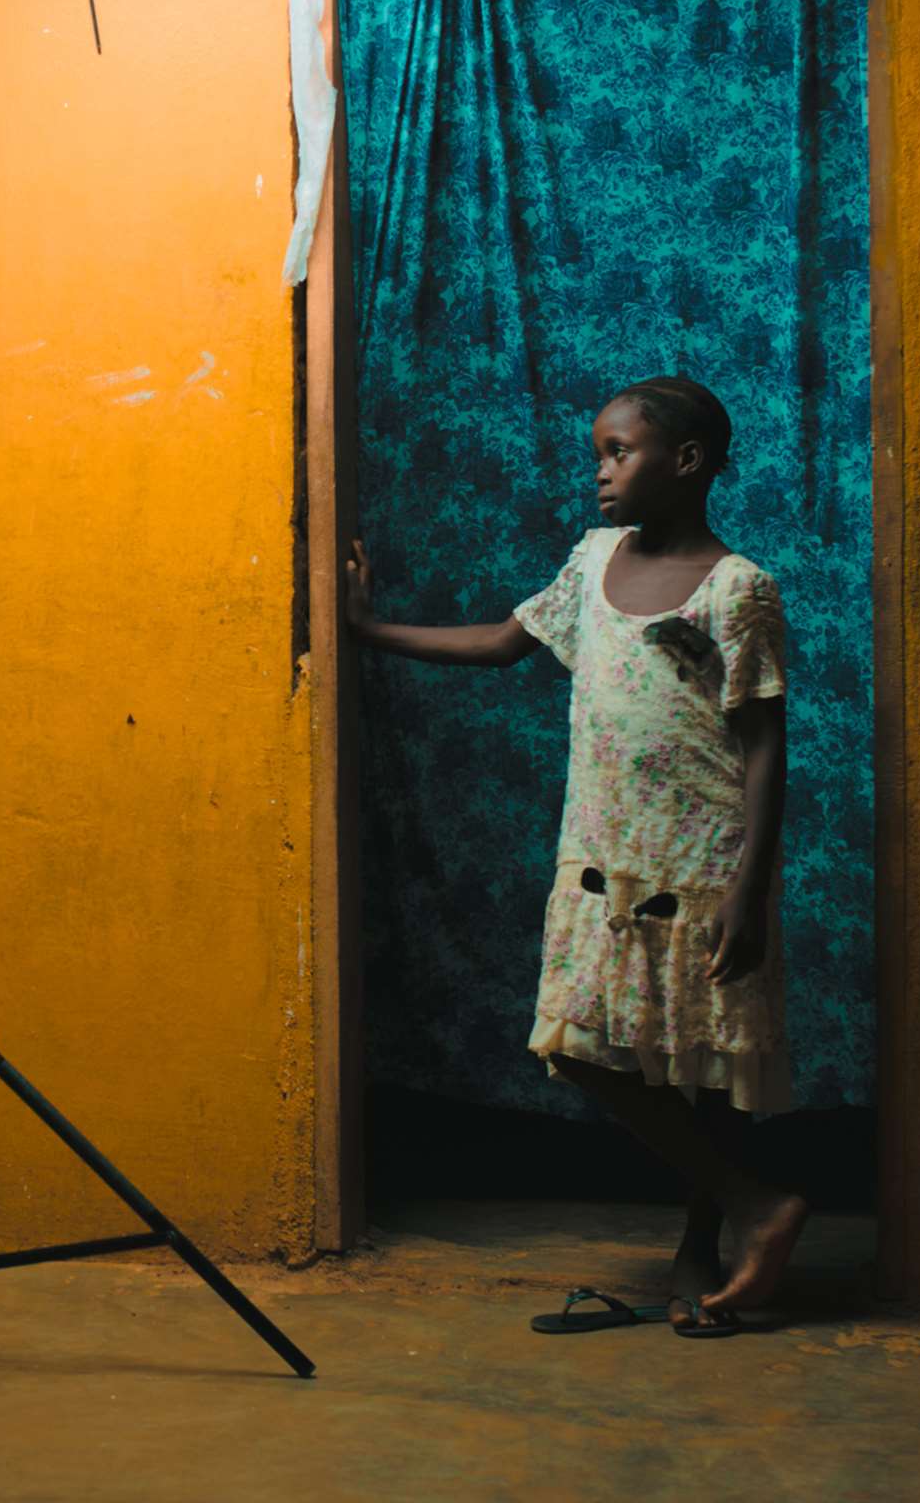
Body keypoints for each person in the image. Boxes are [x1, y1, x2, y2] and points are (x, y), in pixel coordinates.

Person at [344, 374, 809, 1336]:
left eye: (617, 452)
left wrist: (748, 890)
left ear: (683, 462)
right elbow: (504, 642)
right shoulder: (592, 559)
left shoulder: (738, 588)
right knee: (578, 1041)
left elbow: (765, 746)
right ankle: (756, 1207)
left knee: (701, 1059)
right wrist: (363, 631)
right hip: (603, 851)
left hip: (703, 857)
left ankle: (706, 1247)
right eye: (597, 452)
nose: (598, 472)